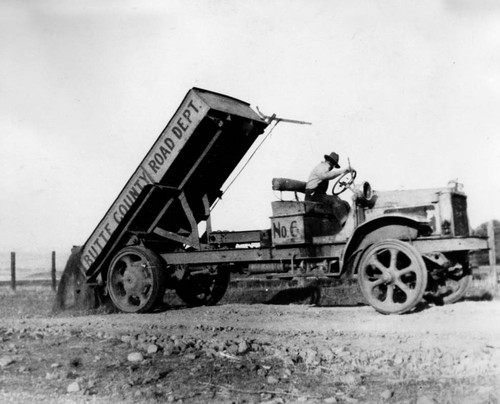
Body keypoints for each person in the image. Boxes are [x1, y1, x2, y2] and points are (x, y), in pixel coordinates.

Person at [305, 152, 354, 230]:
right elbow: (324, 176)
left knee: (345, 204)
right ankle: (346, 227)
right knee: (336, 199)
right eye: (334, 165)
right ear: (331, 163)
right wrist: (342, 171)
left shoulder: (325, 168)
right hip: (313, 196)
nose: (333, 167)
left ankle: (351, 224)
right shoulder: (322, 167)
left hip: (318, 195)